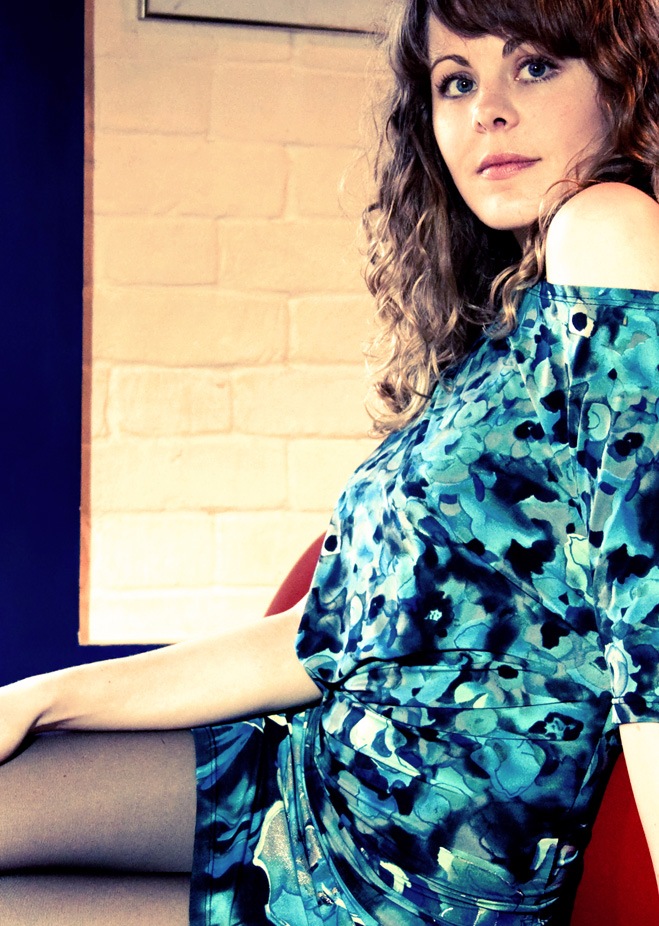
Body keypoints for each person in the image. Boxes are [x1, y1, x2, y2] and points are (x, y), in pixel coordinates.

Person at [1, 0, 658, 923]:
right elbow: (330, 635)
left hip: (404, 880)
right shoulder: (503, 330)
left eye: (536, 66)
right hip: (306, 776)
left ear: (620, 86)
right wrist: (39, 697)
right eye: (455, 82)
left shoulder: (608, 226)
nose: (488, 110)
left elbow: (648, 613)